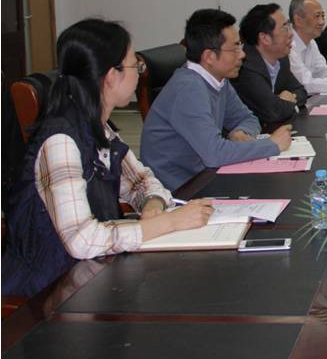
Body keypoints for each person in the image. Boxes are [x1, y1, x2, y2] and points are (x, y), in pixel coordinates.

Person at [2, 19, 215, 297]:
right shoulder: (60, 141)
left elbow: (141, 181)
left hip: (92, 274)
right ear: (111, 76)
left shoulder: (99, 128)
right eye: (135, 66)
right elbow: (81, 239)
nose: (139, 74)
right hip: (50, 289)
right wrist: (167, 223)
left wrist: (152, 203)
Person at [141, 9, 292, 191]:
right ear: (209, 57)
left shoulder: (218, 80)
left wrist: (240, 132)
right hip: (179, 190)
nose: (242, 55)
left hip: (204, 176)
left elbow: (247, 117)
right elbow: (214, 154)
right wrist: (271, 145)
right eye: (235, 48)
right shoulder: (188, 88)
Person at [232, 3, 308, 125]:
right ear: (265, 38)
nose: (291, 34)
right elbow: (273, 112)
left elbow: (301, 91)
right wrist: (288, 103)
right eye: (285, 28)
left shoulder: (281, 59)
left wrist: (287, 98)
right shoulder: (245, 66)